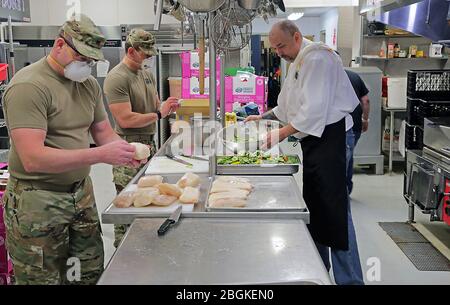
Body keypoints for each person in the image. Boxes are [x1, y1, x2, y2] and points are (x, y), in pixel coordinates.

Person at [1, 14, 144, 285]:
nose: (87, 65)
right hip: (38, 203)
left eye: (91, 60)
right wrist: (99, 155)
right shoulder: (29, 87)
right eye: (82, 58)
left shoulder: (87, 85)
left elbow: (103, 132)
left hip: (80, 196)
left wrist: (125, 152)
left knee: (85, 273)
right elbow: (32, 159)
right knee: (42, 279)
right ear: (58, 45)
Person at [246, 20, 364, 285]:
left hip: (333, 140)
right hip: (316, 143)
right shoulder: (299, 60)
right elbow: (288, 104)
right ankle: (318, 272)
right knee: (317, 210)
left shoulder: (318, 58)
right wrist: (263, 118)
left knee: (335, 214)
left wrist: (279, 134)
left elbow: (313, 112)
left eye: (281, 46)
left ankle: (350, 281)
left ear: (297, 37)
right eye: (275, 48)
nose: (279, 53)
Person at [103, 28, 179, 248]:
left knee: (146, 197)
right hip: (127, 147)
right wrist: (158, 114)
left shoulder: (146, 73)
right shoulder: (117, 78)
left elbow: (156, 104)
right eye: (144, 53)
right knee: (126, 201)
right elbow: (125, 119)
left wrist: (167, 106)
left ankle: (143, 246)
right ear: (130, 50)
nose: (148, 57)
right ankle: (122, 250)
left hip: (149, 143)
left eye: (150, 53)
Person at [345, 69, 370, 195]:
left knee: (343, 158)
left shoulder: (329, 77)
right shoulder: (354, 76)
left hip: (338, 126)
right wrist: (365, 119)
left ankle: (344, 190)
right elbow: (365, 100)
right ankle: (347, 187)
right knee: (349, 155)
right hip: (355, 124)